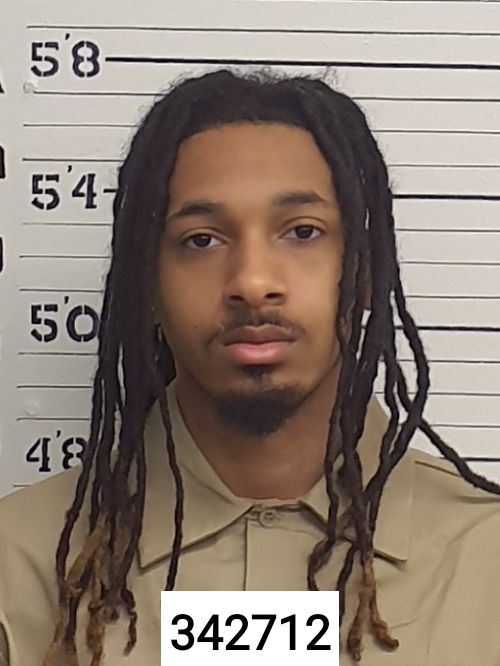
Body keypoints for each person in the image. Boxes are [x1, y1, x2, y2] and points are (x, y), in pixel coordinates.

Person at [0, 69, 499, 666]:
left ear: (365, 271)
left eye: (303, 232)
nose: (253, 282)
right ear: (149, 287)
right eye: (202, 240)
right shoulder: (15, 566)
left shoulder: (486, 554)